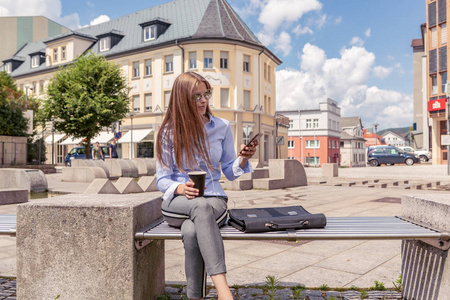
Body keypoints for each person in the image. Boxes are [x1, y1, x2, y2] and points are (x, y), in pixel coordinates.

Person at [156, 72, 258, 300]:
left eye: (206, 94)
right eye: (196, 96)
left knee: (192, 230)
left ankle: (197, 297)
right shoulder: (168, 133)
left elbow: (230, 172)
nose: (204, 100)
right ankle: (224, 292)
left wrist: (244, 158)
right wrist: (181, 188)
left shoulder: (221, 127)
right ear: (183, 99)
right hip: (179, 204)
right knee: (198, 208)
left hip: (214, 201)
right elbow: (161, 179)